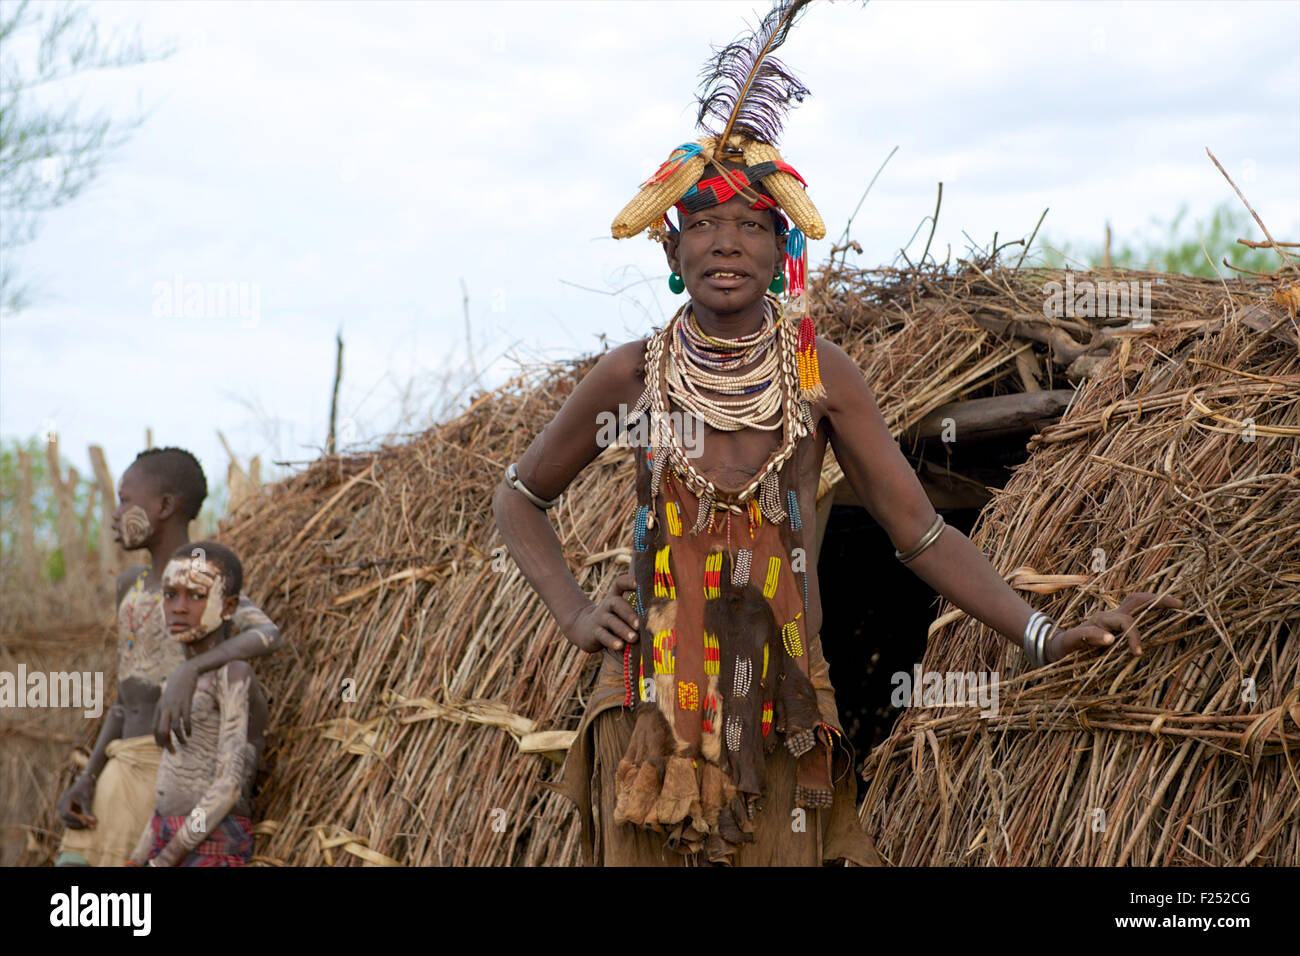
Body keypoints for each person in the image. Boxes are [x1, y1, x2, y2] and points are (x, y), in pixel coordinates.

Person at [494, 0, 1180, 866]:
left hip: (787, 713)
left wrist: (1039, 632)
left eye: (750, 223)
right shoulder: (632, 374)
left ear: (784, 248)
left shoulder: (821, 376)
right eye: (702, 223)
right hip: (652, 710)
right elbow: (518, 498)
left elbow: (920, 533)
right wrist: (571, 611)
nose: (725, 242)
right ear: (671, 255)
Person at [55, 447, 280, 866]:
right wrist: (88, 776)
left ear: (164, 506)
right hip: (119, 771)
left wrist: (190, 670)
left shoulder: (204, 586)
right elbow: (124, 701)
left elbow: (268, 633)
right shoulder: (130, 587)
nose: (115, 515)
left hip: (172, 772)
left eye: (125, 500)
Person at [126, 541, 264, 867]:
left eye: (197, 596)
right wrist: (138, 856)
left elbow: (229, 786)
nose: (179, 607)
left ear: (229, 607)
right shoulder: (176, 684)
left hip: (211, 842)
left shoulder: (233, 675)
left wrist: (168, 857)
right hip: (167, 834)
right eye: (171, 594)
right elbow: (172, 772)